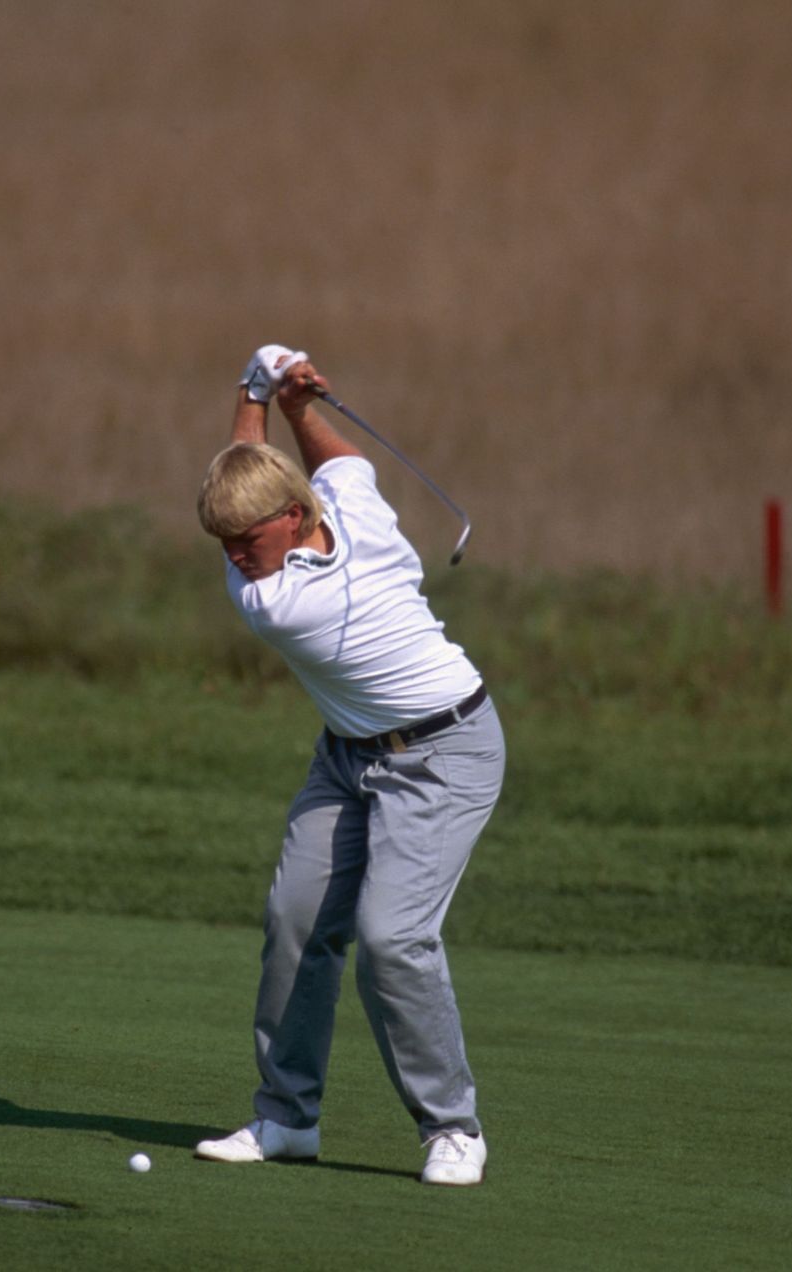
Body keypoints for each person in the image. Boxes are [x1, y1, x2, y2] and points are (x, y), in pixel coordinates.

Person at [191, 344, 506, 1187]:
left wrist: (262, 393)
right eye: (222, 543)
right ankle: (287, 1120)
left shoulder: (281, 601)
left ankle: (453, 1128)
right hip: (349, 757)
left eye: (244, 540)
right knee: (296, 920)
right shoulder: (332, 515)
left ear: (293, 518)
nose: (233, 560)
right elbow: (340, 464)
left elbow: (283, 467)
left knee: (391, 939)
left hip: (446, 751)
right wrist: (285, 401)